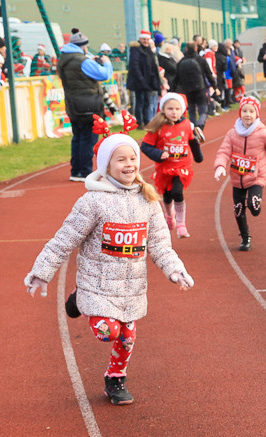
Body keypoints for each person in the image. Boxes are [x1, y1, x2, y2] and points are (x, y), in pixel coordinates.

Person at [24, 133, 194, 406]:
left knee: (127, 337)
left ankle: (115, 378)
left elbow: (161, 245)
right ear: (106, 165)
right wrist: (42, 273)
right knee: (107, 332)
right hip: (97, 285)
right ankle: (81, 298)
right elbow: (64, 240)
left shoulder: (148, 200)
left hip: (131, 287)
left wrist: (175, 271)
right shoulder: (92, 202)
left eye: (133, 159)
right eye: (121, 160)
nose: (129, 164)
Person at [213, 96, 266, 251]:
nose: (247, 114)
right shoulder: (232, 134)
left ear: (257, 114)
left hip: (257, 178)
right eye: (244, 111)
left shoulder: (263, 134)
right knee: (238, 209)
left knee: (253, 206)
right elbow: (223, 151)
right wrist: (220, 166)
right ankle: (245, 237)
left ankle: (255, 205)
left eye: (251, 111)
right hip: (237, 180)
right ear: (240, 113)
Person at [139, 93, 203, 238]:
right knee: (166, 196)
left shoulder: (187, 124)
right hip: (165, 168)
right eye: (170, 109)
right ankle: (169, 215)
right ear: (163, 110)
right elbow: (146, 146)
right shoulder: (158, 126)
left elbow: (192, 141)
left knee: (177, 192)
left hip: (182, 167)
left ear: (182, 110)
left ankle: (181, 225)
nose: (174, 112)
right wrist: (158, 154)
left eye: (177, 109)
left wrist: (198, 156)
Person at [59, 31, 114, 182]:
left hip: (73, 103)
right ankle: (84, 172)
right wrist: (107, 62)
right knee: (88, 139)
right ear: (83, 46)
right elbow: (104, 75)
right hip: (88, 104)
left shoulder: (64, 58)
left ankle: (76, 170)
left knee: (77, 138)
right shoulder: (82, 61)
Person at [174, 42, 215, 138]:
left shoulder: (181, 61)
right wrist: (214, 86)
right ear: (196, 49)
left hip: (187, 89)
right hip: (200, 88)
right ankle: (200, 125)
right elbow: (208, 74)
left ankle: (193, 129)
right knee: (203, 109)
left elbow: (176, 77)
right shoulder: (201, 60)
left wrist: (173, 90)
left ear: (186, 49)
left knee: (191, 109)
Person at [127, 30, 160, 126]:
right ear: (140, 39)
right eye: (144, 39)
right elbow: (135, 66)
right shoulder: (135, 50)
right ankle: (139, 122)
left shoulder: (148, 50)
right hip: (139, 81)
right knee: (140, 101)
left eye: (147, 39)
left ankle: (146, 121)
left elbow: (153, 65)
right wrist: (141, 79)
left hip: (148, 81)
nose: (145, 41)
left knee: (147, 101)